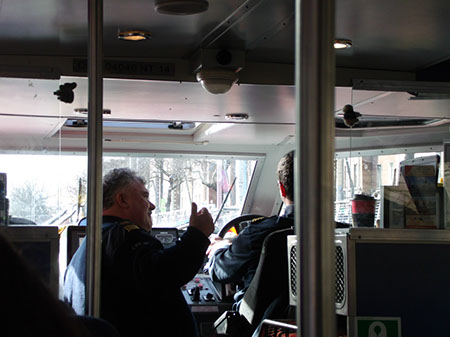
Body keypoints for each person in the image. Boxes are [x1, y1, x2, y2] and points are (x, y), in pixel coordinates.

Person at [64, 168, 214, 337]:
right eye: (144, 196)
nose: (152, 205)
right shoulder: (123, 235)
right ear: (122, 200)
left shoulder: (89, 245)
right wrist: (197, 235)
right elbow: (162, 273)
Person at [208, 150, 295, 310]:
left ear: (282, 189)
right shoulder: (342, 235)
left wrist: (219, 248)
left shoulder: (257, 234)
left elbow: (219, 270)